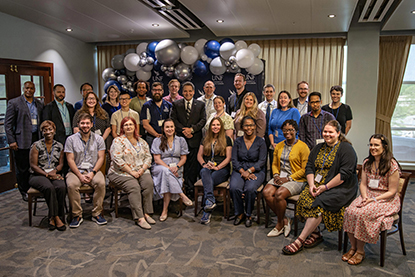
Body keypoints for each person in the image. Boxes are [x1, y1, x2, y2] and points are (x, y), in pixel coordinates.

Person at [282, 120, 358, 255]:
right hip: (317, 184)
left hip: (340, 187)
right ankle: (316, 233)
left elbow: (344, 175)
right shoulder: (318, 148)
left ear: (338, 133)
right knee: (305, 198)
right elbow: (309, 167)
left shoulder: (346, 149)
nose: (327, 134)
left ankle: (300, 240)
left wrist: (325, 187)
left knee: (319, 203)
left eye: (331, 132)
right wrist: (311, 185)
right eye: (325, 132)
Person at [343, 134, 401, 265]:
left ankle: (360, 251)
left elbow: (392, 192)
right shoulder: (367, 163)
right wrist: (365, 197)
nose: (372, 148)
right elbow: (363, 184)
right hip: (368, 195)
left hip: (386, 198)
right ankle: (352, 247)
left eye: (376, 145)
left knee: (362, 214)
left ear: (384, 147)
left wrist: (374, 199)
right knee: (350, 211)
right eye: (371, 145)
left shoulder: (392, 165)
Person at [263, 120, 309, 237]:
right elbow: (274, 164)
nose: (287, 132)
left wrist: (288, 178)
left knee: (279, 194)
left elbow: (304, 170)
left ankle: (279, 224)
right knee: (266, 192)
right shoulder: (279, 145)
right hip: (280, 176)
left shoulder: (303, 147)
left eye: (290, 130)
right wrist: (276, 175)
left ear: (296, 131)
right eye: (285, 130)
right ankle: (285, 219)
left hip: (296, 179)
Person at [108, 117, 155, 230]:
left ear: (135, 127)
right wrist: (131, 172)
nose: (128, 127)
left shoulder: (142, 142)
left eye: (131, 124)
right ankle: (139, 218)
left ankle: (147, 213)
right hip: (121, 172)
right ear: (122, 128)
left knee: (148, 183)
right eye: (126, 125)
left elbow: (148, 157)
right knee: (134, 187)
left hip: (140, 170)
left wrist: (142, 170)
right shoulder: (118, 141)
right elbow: (117, 159)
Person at [65, 113, 107, 228]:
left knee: (101, 183)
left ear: (92, 124)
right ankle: (77, 215)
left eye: (87, 123)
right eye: (82, 123)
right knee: (71, 185)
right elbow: (70, 160)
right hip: (75, 170)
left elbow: (101, 158)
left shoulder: (99, 139)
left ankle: (97, 213)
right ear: (78, 125)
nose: (85, 125)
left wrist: (93, 172)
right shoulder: (70, 140)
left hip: (93, 170)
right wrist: (79, 175)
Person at [5, 81, 44, 201]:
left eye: (32, 88)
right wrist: (12, 141)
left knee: (36, 165)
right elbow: (8, 124)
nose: (29, 90)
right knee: (22, 167)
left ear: (34, 89)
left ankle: (34, 188)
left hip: (35, 139)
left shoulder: (39, 103)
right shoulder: (14, 103)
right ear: (23, 88)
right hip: (20, 140)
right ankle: (24, 191)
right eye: (27, 88)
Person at [151, 119, 192, 222]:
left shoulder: (181, 140)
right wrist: (169, 168)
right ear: (163, 129)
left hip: (177, 167)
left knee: (167, 177)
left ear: (174, 128)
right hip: (160, 167)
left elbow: (184, 158)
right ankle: (181, 194)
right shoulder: (157, 140)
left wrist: (177, 167)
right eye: (167, 127)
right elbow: (157, 159)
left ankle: (164, 211)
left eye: (171, 127)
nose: (169, 129)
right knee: (165, 172)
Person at [171, 81, 206, 199]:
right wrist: (184, 130)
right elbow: (173, 120)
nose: (188, 93)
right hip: (181, 139)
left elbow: (203, 120)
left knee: (192, 167)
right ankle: (180, 188)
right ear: (182, 92)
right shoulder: (176, 104)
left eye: (190, 91)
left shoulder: (200, 104)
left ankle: (191, 189)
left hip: (195, 140)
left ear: (194, 92)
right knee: (181, 166)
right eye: (185, 91)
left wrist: (192, 130)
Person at [230, 116, 267, 227]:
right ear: (242, 127)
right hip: (239, 169)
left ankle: (249, 214)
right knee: (234, 187)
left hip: (256, 170)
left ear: (255, 126)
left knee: (250, 189)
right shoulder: (237, 141)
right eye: (246, 125)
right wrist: (243, 172)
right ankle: (239, 213)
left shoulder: (261, 142)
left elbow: (262, 161)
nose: (249, 127)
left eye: (251, 125)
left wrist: (249, 171)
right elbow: (234, 160)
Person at [29, 120, 66, 231]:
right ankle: (54, 217)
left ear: (54, 131)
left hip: (54, 173)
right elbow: (33, 166)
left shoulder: (59, 146)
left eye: (50, 129)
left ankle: (57, 215)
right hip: (37, 175)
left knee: (61, 187)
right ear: (42, 132)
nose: (48, 132)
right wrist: (46, 174)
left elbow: (61, 164)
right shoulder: (36, 146)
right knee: (49, 187)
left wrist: (54, 171)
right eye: (45, 130)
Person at [197, 118, 232, 224]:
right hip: (208, 167)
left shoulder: (227, 139)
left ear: (221, 127)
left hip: (221, 169)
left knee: (209, 180)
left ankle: (206, 211)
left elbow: (228, 158)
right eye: (213, 125)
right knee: (203, 172)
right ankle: (210, 201)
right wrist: (204, 164)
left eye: (217, 125)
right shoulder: (205, 139)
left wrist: (218, 167)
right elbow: (199, 155)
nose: (215, 127)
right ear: (210, 127)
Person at [268, 91, 301, 173]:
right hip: (274, 145)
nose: (283, 100)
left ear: (289, 100)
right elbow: (269, 129)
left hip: (288, 145)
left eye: (285, 98)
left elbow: (296, 129)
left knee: (287, 170)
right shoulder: (275, 111)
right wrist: (272, 142)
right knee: (275, 169)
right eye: (281, 98)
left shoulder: (294, 111)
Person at [141, 82, 172, 148]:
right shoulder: (146, 106)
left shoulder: (169, 105)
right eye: (155, 90)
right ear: (152, 91)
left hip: (167, 137)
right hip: (151, 137)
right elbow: (145, 124)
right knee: (153, 157)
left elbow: (171, 122)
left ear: (162, 91)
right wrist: (156, 135)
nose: (157, 92)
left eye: (159, 90)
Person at [258, 84, 278, 180]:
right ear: (264, 93)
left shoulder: (278, 106)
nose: (269, 93)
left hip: (274, 135)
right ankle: (263, 180)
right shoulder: (260, 106)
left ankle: (273, 179)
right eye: (267, 91)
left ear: (274, 93)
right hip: (263, 135)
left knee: (273, 158)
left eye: (271, 91)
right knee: (263, 158)